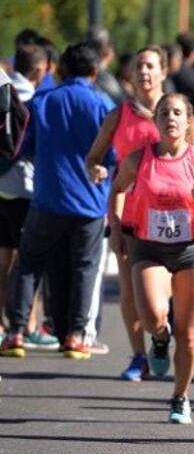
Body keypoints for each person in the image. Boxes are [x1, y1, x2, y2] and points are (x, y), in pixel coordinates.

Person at [86, 45, 194, 382]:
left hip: (176, 217)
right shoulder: (118, 115)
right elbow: (93, 156)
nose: (144, 72)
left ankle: (164, 336)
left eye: (151, 66)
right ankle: (140, 355)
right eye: (138, 65)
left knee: (168, 294)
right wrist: (95, 169)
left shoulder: (179, 113)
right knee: (130, 291)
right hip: (131, 215)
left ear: (164, 72)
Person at [109, 93, 194, 423]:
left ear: (188, 121)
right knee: (153, 316)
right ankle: (159, 339)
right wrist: (116, 228)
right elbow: (117, 190)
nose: (170, 118)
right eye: (164, 113)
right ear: (156, 121)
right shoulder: (138, 159)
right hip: (149, 247)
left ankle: (180, 397)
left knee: (188, 335)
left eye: (177, 113)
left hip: (190, 249)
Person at [0, 42, 112, 359]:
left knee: (29, 264)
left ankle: (15, 331)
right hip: (90, 200)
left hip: (48, 197)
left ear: (61, 69)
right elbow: (113, 154)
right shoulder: (103, 104)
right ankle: (76, 336)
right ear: (94, 71)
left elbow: (23, 146)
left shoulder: (44, 100)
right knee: (85, 268)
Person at [0, 50, 57, 351]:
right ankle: (29, 325)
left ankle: (1, 325)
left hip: (1, 188)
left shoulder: (4, 90)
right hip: (23, 187)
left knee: (3, 259)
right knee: (29, 260)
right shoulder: (33, 99)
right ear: (39, 70)